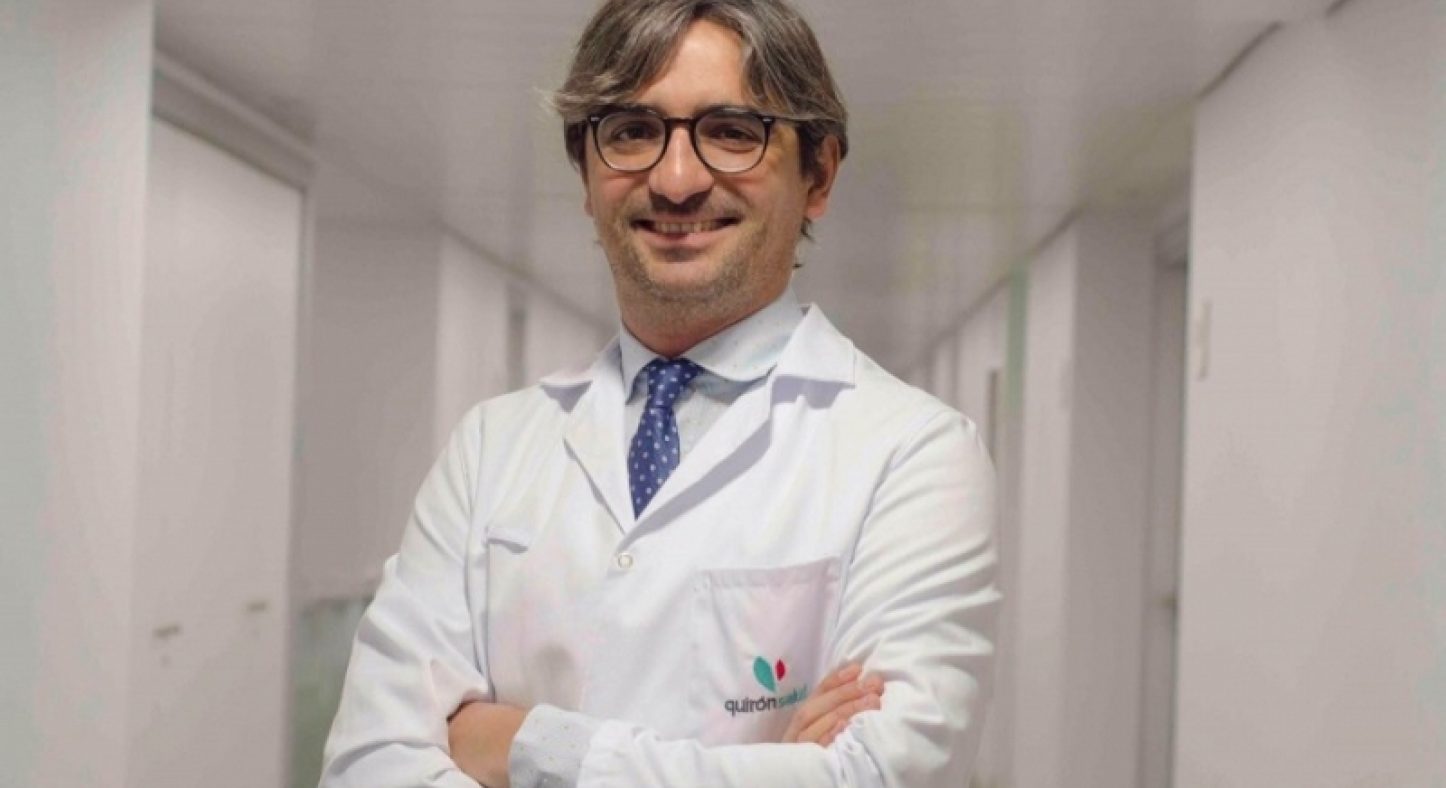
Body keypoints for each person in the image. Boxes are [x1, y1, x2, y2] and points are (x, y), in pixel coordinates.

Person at [319, 0, 999, 785]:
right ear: (586, 173)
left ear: (819, 174)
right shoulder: (490, 449)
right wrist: (770, 767)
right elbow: (366, 764)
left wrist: (524, 744)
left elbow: (883, 775)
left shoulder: (915, 455)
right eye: (633, 131)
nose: (677, 180)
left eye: (732, 131)